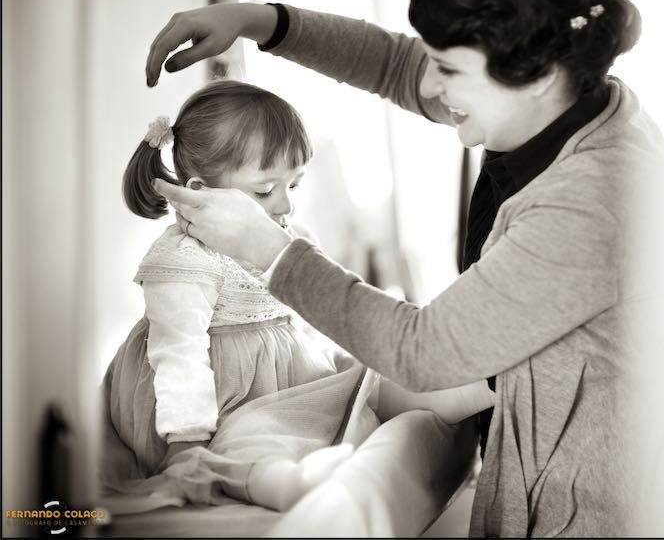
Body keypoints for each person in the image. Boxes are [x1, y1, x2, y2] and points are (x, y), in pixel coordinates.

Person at [147, 0, 664, 536]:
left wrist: (272, 250)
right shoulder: (565, 99)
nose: (428, 86)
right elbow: (396, 65)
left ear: (532, 74)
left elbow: (423, 352)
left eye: (447, 69)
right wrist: (259, 20)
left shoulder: (590, 201)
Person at [102, 79, 495, 514]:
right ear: (200, 192)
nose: (285, 205)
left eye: (294, 185)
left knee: (366, 379)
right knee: (252, 438)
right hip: (224, 401)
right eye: (264, 191)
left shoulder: (285, 233)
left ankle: (478, 386)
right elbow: (178, 353)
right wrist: (187, 440)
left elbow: (313, 314)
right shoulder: (187, 260)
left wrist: (341, 358)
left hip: (287, 375)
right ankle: (287, 484)